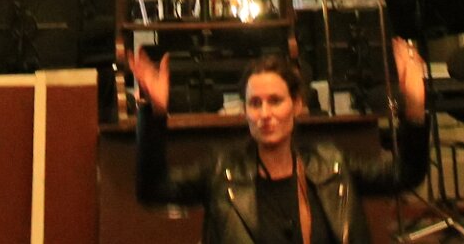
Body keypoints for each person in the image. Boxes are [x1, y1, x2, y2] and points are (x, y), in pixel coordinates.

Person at [129, 39, 430, 244]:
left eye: (275, 101)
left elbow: (406, 174)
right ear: (245, 111)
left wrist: (415, 109)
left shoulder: (331, 164)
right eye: (255, 103)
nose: (265, 114)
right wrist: (154, 113)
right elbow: (154, 189)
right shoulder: (223, 170)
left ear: (296, 105)